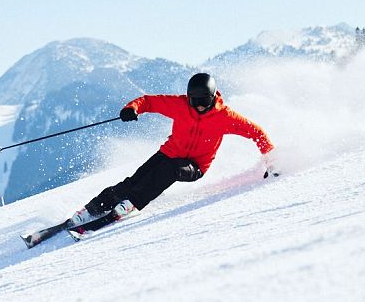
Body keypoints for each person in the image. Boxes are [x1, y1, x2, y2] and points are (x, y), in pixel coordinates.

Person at [69, 73, 276, 227]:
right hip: (168, 153)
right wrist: (132, 108)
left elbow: (256, 132)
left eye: (204, 101)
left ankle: (133, 204)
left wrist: (272, 160)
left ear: (213, 97)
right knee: (132, 182)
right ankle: (93, 208)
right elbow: (149, 101)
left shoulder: (225, 117)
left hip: (194, 166)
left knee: (169, 171)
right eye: (195, 101)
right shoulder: (180, 105)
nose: (199, 106)